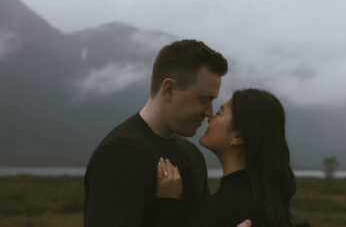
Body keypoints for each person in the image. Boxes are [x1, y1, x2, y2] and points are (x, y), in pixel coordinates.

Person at [84, 39, 252, 227]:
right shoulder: (119, 155)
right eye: (204, 99)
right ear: (169, 90)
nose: (209, 112)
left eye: (212, 101)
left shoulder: (192, 156)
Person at [158, 88, 297, 227]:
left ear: (237, 137)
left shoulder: (220, 210)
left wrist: (168, 202)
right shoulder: (264, 202)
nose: (209, 117)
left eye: (218, 113)